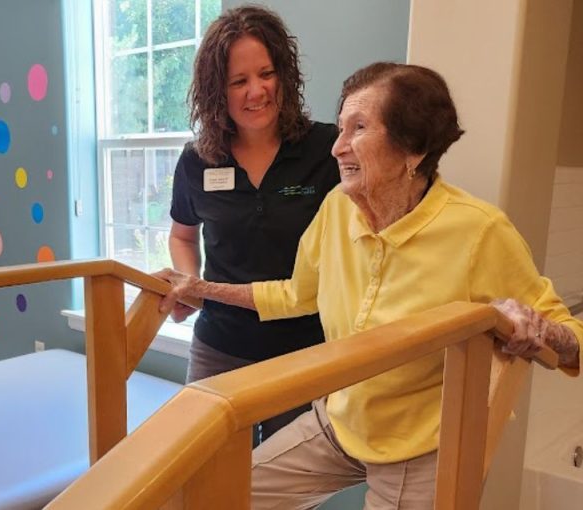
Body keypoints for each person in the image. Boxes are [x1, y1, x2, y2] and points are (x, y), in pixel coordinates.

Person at [157, 62, 583, 509]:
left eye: (358, 128)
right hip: (340, 419)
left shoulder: (480, 231)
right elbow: (294, 295)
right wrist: (201, 288)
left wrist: (538, 328)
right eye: (341, 128)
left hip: (418, 444)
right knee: (215, 496)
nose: (338, 146)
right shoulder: (336, 208)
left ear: (413, 149)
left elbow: (572, 338)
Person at [168, 5, 340, 442]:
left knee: (284, 478)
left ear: (284, 74)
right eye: (238, 81)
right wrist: (190, 284)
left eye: (266, 74)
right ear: (217, 91)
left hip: (304, 351)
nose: (256, 91)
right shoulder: (197, 160)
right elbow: (182, 235)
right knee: (206, 469)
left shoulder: (327, 150)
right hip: (219, 347)